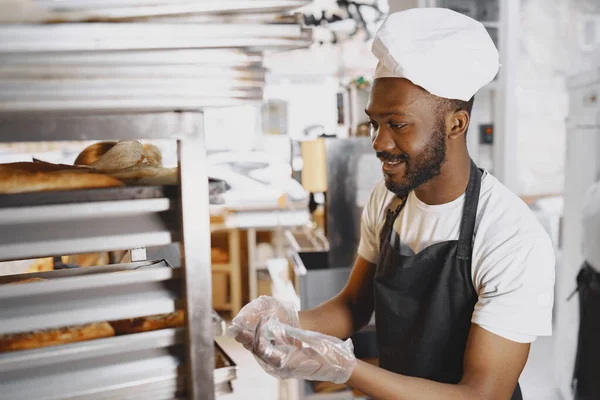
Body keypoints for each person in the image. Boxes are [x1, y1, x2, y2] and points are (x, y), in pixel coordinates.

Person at [228, 7, 555, 400]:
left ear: (456, 124)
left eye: (397, 124)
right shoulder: (387, 200)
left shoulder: (510, 237)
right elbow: (353, 305)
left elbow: (481, 394)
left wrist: (345, 367)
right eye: (374, 123)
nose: (379, 143)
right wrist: (286, 320)